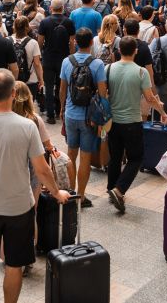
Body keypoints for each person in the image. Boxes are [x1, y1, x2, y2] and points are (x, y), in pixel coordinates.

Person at [0, 69, 70, 303]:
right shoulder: (27, 126)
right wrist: (57, 191)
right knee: (14, 264)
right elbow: (41, 169)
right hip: (20, 206)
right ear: (12, 93)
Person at [106, 36, 167, 213]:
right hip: (132, 121)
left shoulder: (108, 68)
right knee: (136, 158)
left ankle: (112, 186)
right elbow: (149, 98)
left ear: (119, 50)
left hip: (113, 122)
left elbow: (104, 93)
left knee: (115, 156)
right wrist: (162, 112)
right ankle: (119, 189)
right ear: (135, 51)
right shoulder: (141, 72)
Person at [58, 27, 107, 208]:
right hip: (89, 118)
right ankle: (81, 195)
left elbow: (62, 89)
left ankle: (70, 193)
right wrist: (104, 118)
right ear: (92, 42)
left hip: (71, 115)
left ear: (76, 42)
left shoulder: (66, 62)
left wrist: (63, 108)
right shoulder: (97, 64)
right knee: (85, 158)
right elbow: (102, 94)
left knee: (71, 155)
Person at [37, 0, 76, 124]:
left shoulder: (44, 22)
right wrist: (71, 56)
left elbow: (40, 42)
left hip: (48, 58)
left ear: (51, 8)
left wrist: (41, 54)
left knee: (48, 87)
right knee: (62, 86)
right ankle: (60, 110)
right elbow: (72, 42)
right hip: (63, 58)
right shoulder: (69, 22)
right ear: (63, 8)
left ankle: (50, 115)